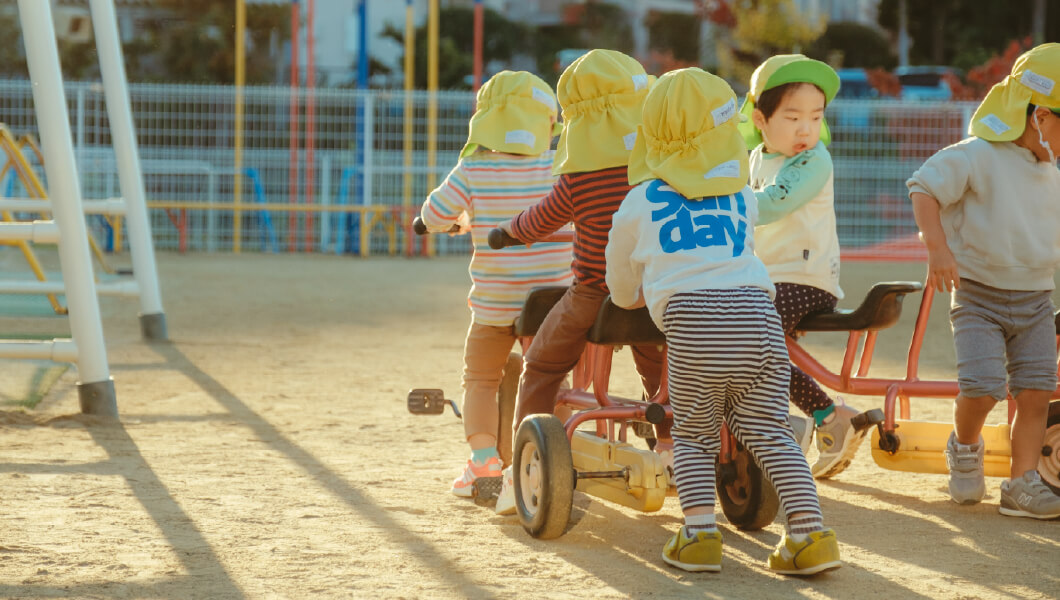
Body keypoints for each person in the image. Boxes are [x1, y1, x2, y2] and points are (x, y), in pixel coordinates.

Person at [606, 67, 841, 575]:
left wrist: (629, 300)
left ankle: (698, 535)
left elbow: (621, 282)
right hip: (758, 316)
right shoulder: (739, 196)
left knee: (693, 435)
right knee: (771, 430)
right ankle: (810, 534)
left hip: (695, 324)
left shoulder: (641, 200)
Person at [493, 49, 665, 515]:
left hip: (595, 293)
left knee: (544, 365)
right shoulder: (657, 170)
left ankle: (522, 466)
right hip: (652, 294)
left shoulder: (580, 179)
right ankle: (669, 442)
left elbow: (540, 220)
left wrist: (506, 233)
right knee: (657, 366)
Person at [907, 43, 1060, 519]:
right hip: (978, 295)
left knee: (1037, 392)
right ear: (1039, 116)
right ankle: (965, 445)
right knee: (984, 386)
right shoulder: (978, 154)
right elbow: (924, 186)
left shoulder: (1050, 170)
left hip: (1036, 297)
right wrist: (937, 249)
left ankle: (1021, 482)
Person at [419, 71, 574, 499]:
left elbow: (434, 213)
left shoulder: (474, 167)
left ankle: (483, 460)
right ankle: (559, 454)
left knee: (480, 379)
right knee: (553, 377)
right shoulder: (559, 166)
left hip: (495, 303)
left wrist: (445, 220)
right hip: (551, 303)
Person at [737, 54, 880, 478]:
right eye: (793, 117)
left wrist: (721, 205)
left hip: (803, 278)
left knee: (751, 340)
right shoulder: (756, 159)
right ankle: (819, 419)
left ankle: (818, 416)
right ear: (760, 119)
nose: (806, 129)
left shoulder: (813, 160)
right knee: (746, 339)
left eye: (815, 118)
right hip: (767, 278)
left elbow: (775, 203)